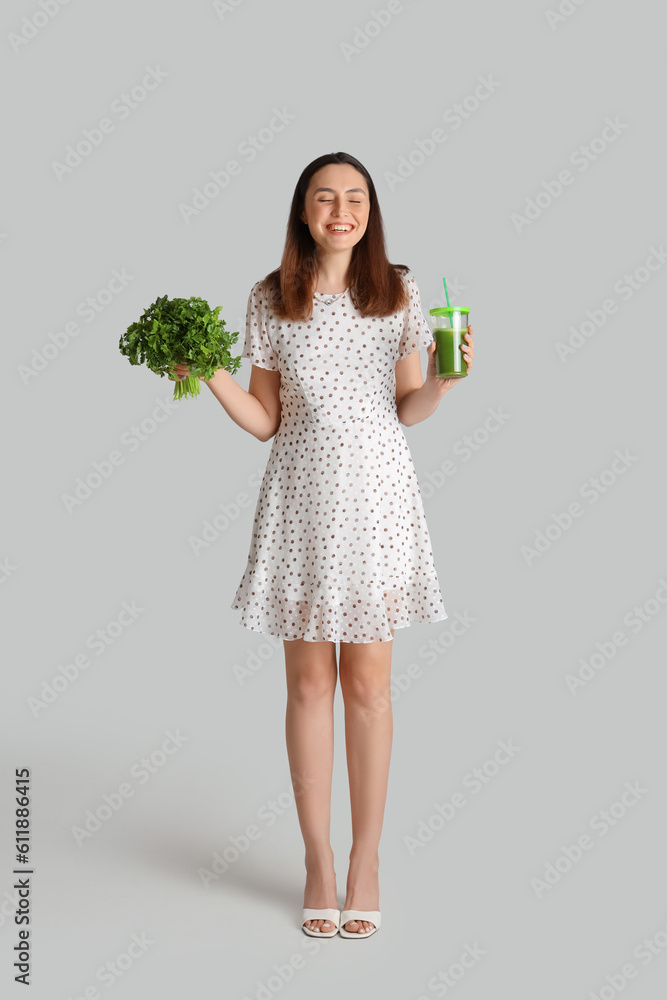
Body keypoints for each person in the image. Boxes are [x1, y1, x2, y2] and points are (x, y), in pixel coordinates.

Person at [173, 151, 474, 939]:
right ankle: (316, 859)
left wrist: (445, 382)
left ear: (370, 211)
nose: (340, 210)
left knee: (368, 687)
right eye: (324, 197)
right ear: (302, 211)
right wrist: (208, 372)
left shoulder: (398, 293)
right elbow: (266, 418)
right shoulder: (271, 297)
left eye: (355, 198)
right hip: (302, 498)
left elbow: (408, 405)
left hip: (376, 499)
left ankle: (366, 860)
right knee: (308, 688)